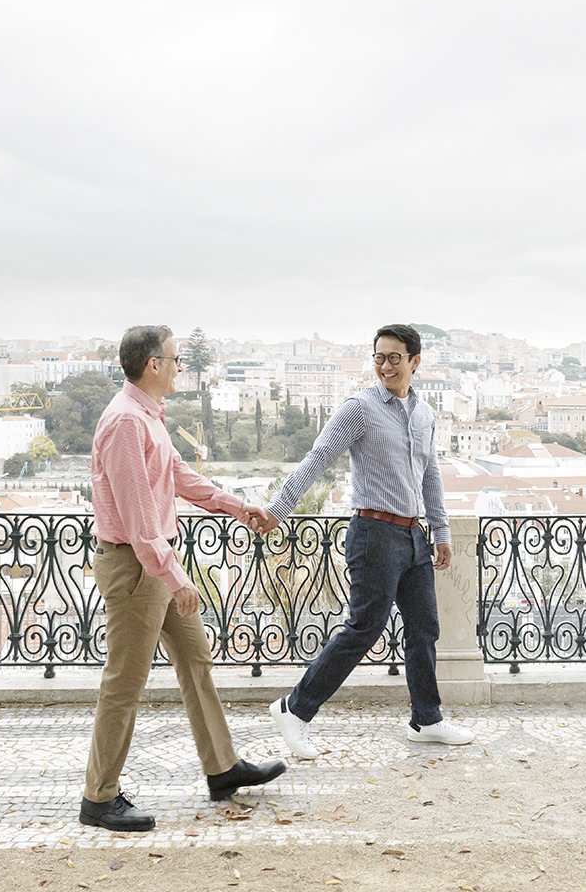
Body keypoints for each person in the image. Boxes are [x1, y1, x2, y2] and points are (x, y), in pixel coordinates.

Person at [80, 324, 286, 832]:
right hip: (136, 566)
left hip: (151, 561)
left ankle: (222, 768)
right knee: (124, 682)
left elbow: (177, 478)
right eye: (175, 360)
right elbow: (138, 516)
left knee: (195, 658)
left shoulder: (148, 416)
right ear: (153, 365)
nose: (180, 368)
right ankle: (98, 798)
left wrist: (237, 506)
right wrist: (174, 576)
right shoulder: (126, 423)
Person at [259, 323, 474, 758]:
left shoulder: (424, 414)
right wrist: (277, 511)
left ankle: (426, 720)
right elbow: (317, 457)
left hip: (414, 535)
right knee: (365, 627)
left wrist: (442, 531)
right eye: (379, 357)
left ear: (416, 361)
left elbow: (429, 476)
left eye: (395, 358)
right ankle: (294, 709)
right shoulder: (359, 408)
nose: (385, 366)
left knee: (424, 629)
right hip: (373, 532)